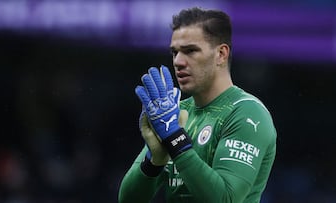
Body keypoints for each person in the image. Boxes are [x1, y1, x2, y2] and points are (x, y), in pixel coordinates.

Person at [118, 7, 276, 203]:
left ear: (221, 54)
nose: (178, 61)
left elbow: (226, 199)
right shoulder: (176, 114)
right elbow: (127, 200)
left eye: (190, 51)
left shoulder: (246, 112)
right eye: (174, 52)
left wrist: (175, 140)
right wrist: (154, 162)